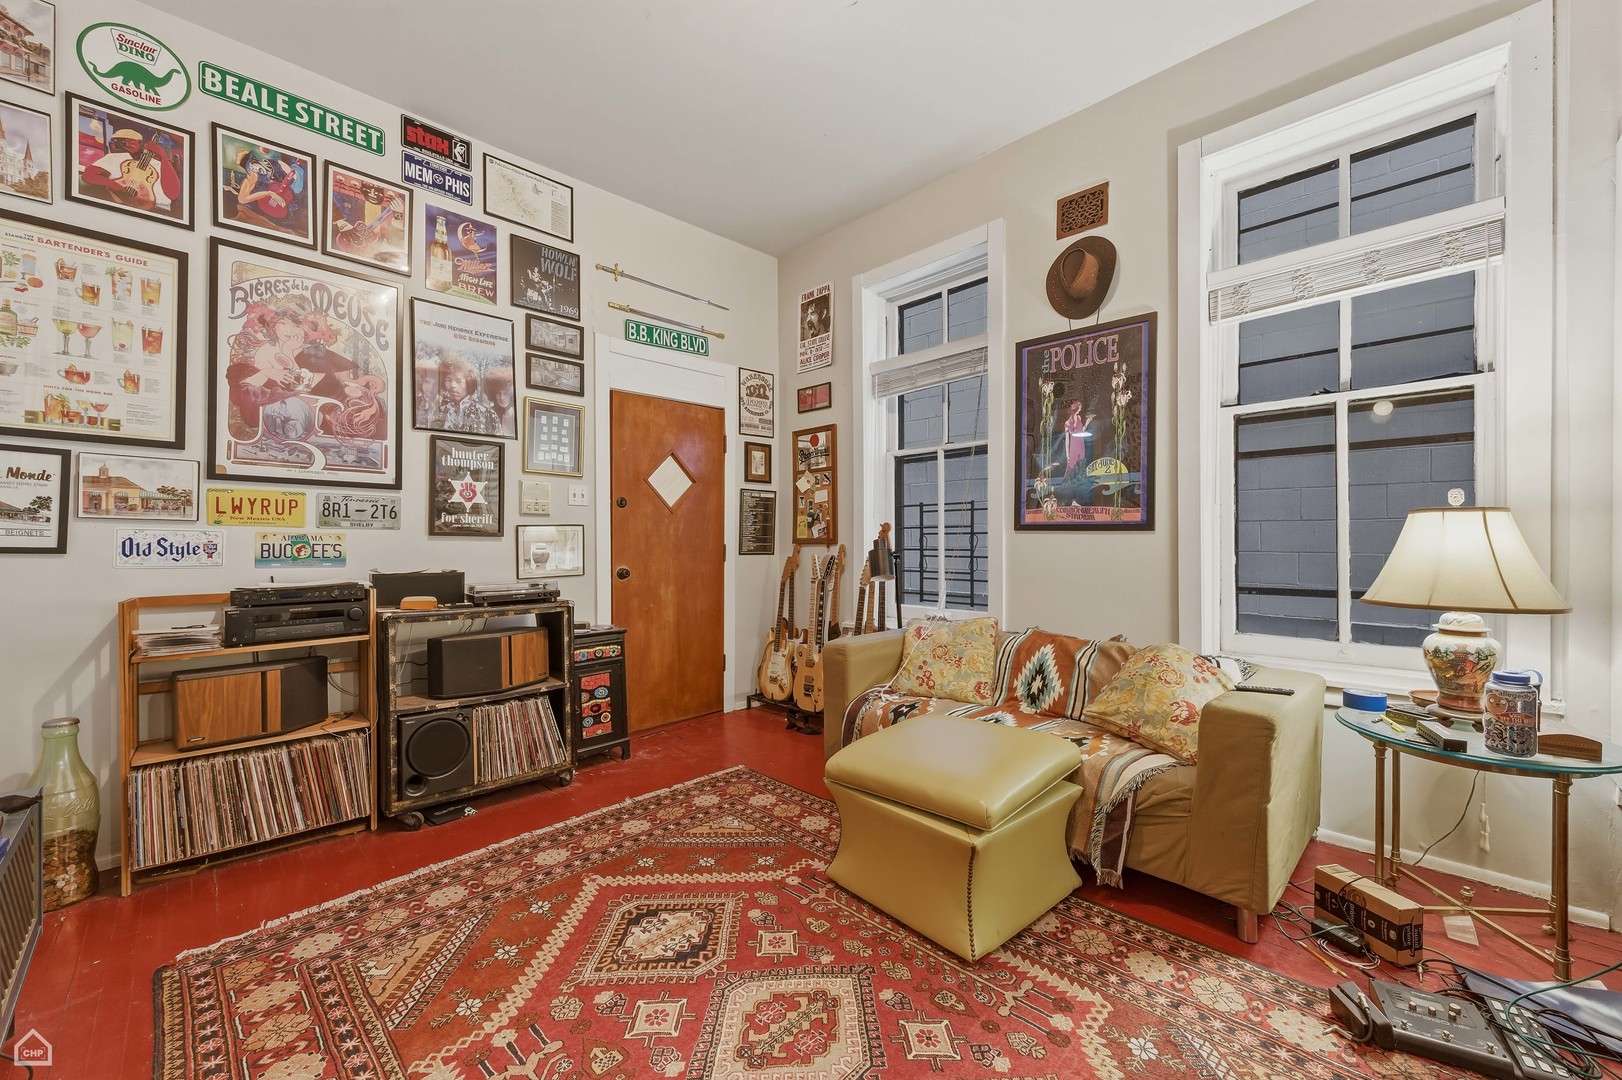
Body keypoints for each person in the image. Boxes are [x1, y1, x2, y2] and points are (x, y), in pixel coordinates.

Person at [78, 128, 183, 215]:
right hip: (120, 205)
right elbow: (88, 176)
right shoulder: (113, 158)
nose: (128, 144)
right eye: (122, 141)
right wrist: (114, 185)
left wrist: (163, 158)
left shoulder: (158, 162)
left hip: (158, 211)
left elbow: (173, 194)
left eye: (132, 141)